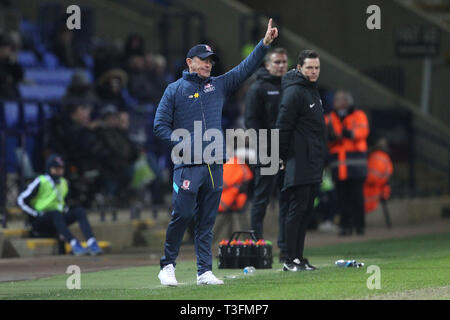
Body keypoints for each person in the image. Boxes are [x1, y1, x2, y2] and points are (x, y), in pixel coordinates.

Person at [154, 18, 278, 286]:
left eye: (210, 60)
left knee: (207, 220)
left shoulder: (218, 85)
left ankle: (203, 271)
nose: (208, 63)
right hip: (187, 164)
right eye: (203, 59)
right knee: (183, 214)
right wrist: (182, 143)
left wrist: (264, 44)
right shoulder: (174, 90)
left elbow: (245, 69)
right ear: (189, 62)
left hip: (214, 163)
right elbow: (159, 126)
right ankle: (167, 265)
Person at [276, 50, 327, 272]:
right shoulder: (295, 92)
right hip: (299, 159)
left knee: (306, 210)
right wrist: (280, 155)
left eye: (316, 68)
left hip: (313, 159)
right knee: (296, 210)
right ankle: (289, 258)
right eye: (309, 68)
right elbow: (283, 126)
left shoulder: (311, 90)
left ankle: (298, 257)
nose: (313, 71)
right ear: (299, 68)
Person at [244, 47, 289, 256]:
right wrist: (264, 147)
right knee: (262, 197)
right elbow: (251, 121)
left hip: (288, 149)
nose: (281, 66)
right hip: (267, 148)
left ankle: (286, 245)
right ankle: (257, 244)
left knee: (288, 197)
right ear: (267, 65)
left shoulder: (291, 86)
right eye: (277, 62)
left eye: (283, 62)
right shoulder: (258, 89)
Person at [16, 154, 102, 256]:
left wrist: (65, 210)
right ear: (49, 168)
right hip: (40, 220)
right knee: (55, 214)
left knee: (79, 211)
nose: (59, 171)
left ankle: (91, 242)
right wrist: (35, 213)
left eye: (61, 168)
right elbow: (21, 200)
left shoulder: (64, 182)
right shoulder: (41, 181)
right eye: (55, 168)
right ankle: (74, 244)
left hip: (58, 219)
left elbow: (63, 203)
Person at [325, 90, 369, 236]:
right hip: (339, 165)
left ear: (348, 101)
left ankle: (359, 225)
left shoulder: (358, 115)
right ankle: (345, 226)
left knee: (357, 196)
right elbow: (326, 133)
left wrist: (346, 133)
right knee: (342, 198)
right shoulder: (330, 117)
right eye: (337, 99)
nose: (338, 102)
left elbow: (362, 132)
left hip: (356, 164)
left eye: (342, 99)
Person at [364, 138, 393, 213]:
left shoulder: (375, 156)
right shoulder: (385, 157)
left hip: (373, 188)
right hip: (380, 187)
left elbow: (372, 178)